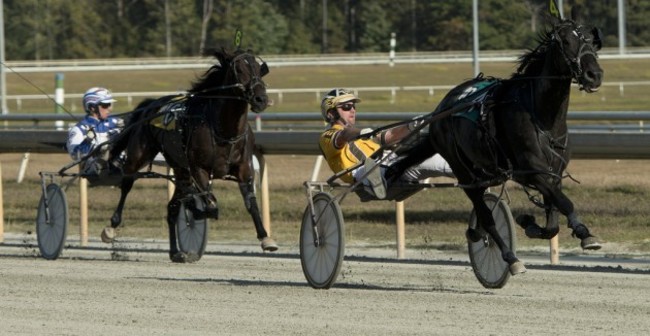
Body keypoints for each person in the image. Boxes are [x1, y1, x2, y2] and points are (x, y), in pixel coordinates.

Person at [319, 88, 453, 199]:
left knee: (439, 159)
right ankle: (372, 179)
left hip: (390, 162)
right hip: (360, 172)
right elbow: (343, 135)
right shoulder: (327, 136)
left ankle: (471, 172)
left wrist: (411, 126)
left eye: (353, 106)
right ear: (331, 113)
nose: (353, 110)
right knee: (423, 162)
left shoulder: (362, 134)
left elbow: (389, 136)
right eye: (347, 107)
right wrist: (361, 133)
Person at [67, 87, 124, 177]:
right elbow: (75, 155)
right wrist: (87, 141)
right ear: (92, 107)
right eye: (105, 105)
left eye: (110, 104)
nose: (109, 109)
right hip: (94, 172)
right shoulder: (79, 129)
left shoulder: (116, 122)